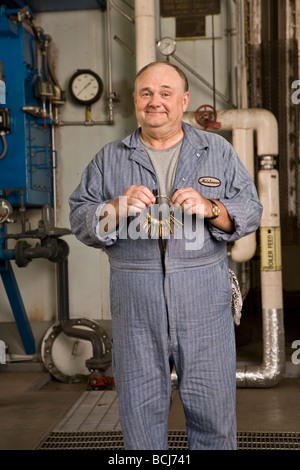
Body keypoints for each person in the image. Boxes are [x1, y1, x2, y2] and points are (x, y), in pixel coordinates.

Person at [69, 61, 263, 450]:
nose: (155, 101)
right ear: (135, 102)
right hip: (135, 307)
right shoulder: (110, 159)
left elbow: (251, 209)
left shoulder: (216, 151)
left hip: (204, 304)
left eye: (165, 93)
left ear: (184, 101)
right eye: (146, 93)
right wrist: (116, 207)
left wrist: (211, 207)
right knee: (140, 417)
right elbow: (79, 218)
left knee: (213, 414)